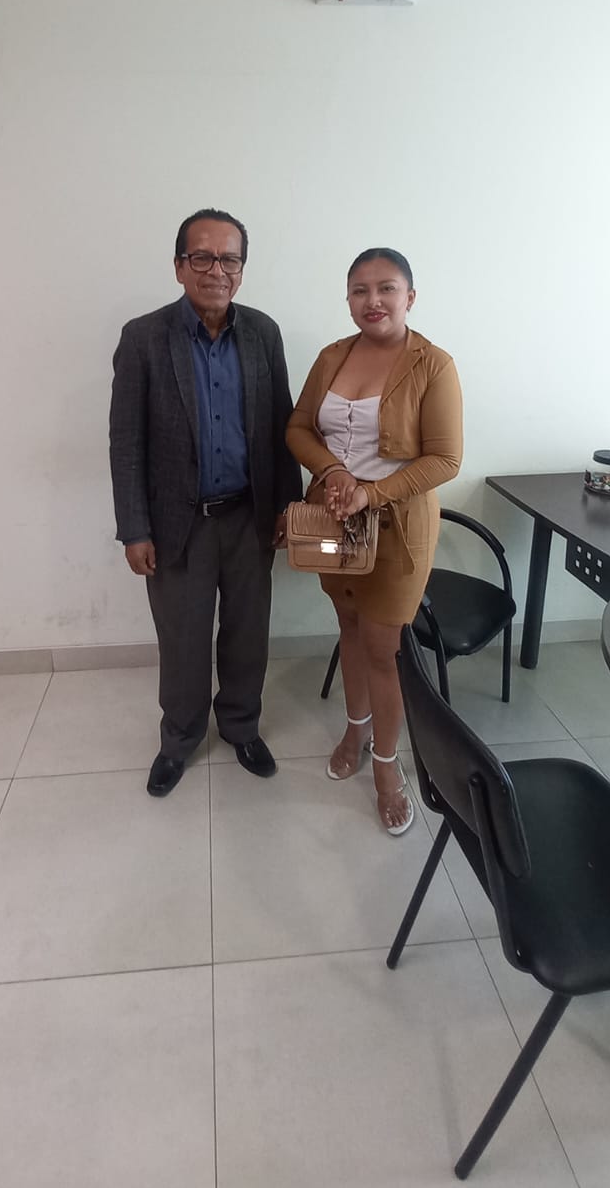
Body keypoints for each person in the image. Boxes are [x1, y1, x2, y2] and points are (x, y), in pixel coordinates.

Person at [109, 209, 302, 797]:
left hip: (249, 516)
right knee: (183, 641)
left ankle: (242, 726)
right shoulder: (143, 338)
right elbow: (127, 441)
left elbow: (282, 424)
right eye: (202, 257)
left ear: (242, 269)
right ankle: (180, 739)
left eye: (230, 259)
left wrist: (288, 506)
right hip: (177, 524)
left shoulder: (263, 333)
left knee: (247, 633)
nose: (217, 270)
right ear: (179, 266)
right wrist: (134, 528)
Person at [286, 248, 462, 834]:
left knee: (384, 650)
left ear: (410, 297)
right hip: (334, 522)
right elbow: (298, 427)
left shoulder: (433, 364)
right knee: (349, 628)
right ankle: (355, 731)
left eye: (387, 288)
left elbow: (446, 458)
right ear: (348, 299)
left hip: (399, 531)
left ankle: (388, 767)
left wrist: (373, 493)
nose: (373, 301)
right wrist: (335, 473)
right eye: (360, 290)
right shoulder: (332, 356)